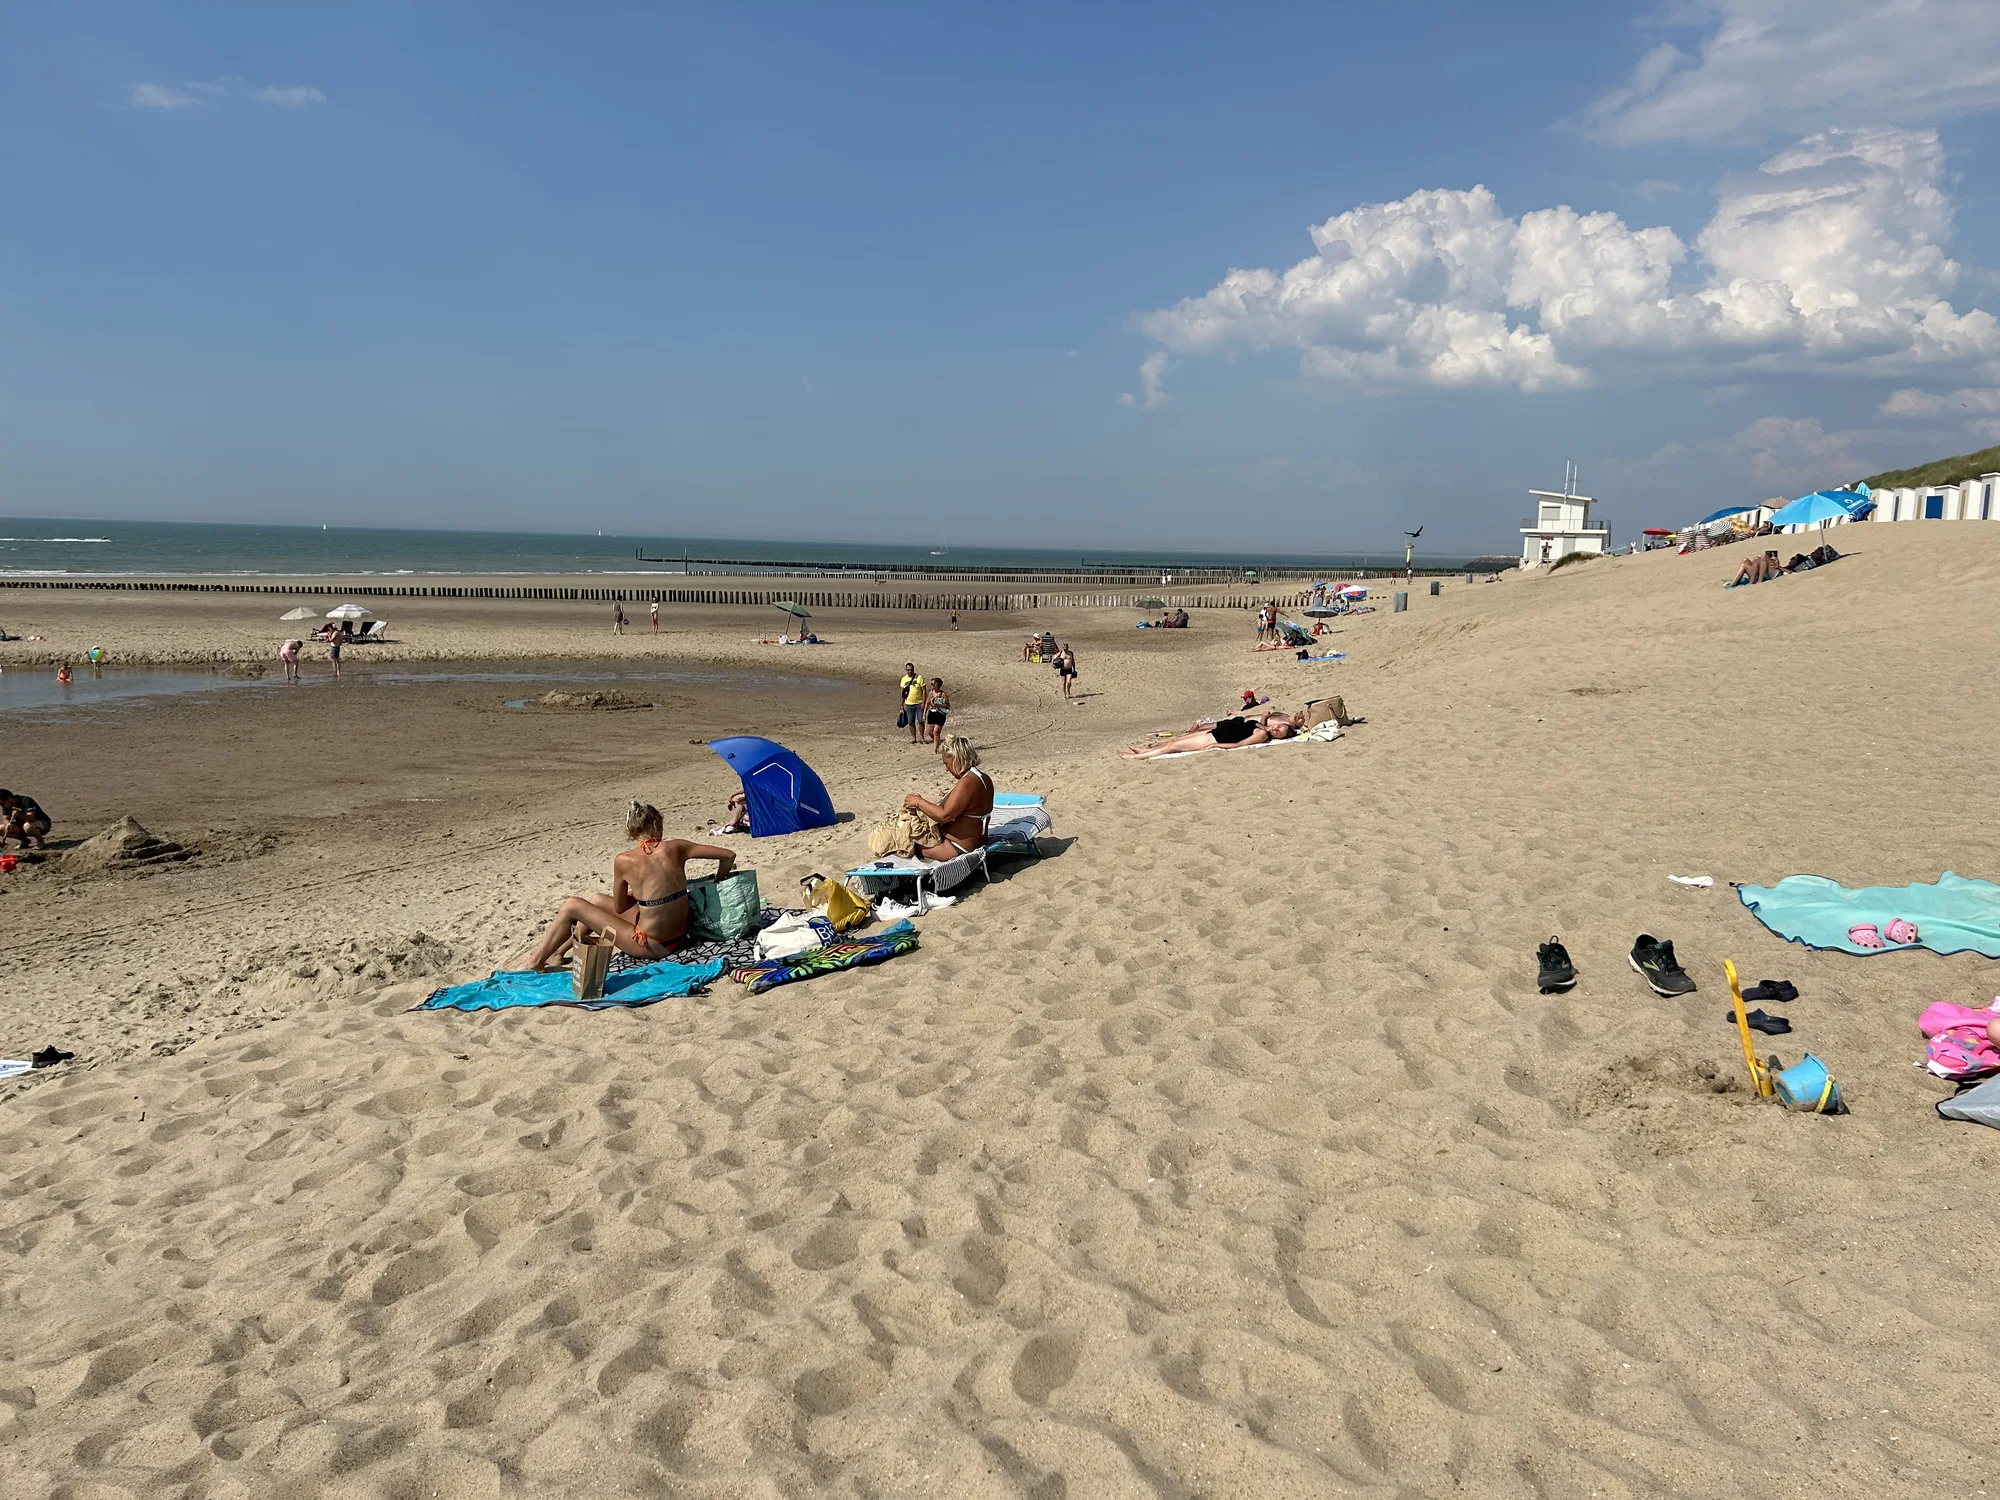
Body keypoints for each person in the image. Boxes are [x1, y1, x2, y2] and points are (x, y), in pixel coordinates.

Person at [513, 801, 739, 970]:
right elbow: (728, 855)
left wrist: (641, 893)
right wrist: (717, 880)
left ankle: (535, 961)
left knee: (573, 905)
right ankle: (560, 952)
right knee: (596, 901)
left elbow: (620, 908)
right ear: (654, 824)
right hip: (680, 935)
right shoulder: (677, 846)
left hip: (652, 945)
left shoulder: (624, 860)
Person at [903, 732, 994, 862]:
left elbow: (944, 815)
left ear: (957, 760)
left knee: (907, 844)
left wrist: (918, 802)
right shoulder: (983, 778)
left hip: (958, 847)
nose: (946, 769)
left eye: (947, 764)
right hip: (979, 839)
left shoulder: (966, 783)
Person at [1121, 712, 1304, 760]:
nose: (1276, 728)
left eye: (1279, 731)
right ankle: (1144, 750)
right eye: (1279, 726)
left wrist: (1216, 746)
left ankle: (1136, 757)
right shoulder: (1264, 727)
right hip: (1215, 732)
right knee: (1174, 741)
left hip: (1214, 739)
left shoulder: (1262, 736)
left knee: (1171, 748)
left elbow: (1240, 744)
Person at [898, 661, 926, 744]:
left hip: (919, 703)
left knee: (921, 721)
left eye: (911, 670)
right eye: (908, 670)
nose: (910, 671)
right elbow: (903, 693)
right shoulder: (904, 679)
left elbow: (924, 690)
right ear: (906, 670)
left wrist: (924, 702)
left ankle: (922, 737)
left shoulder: (919, 677)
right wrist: (901, 705)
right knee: (911, 722)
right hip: (908, 704)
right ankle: (914, 738)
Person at [924, 676, 949, 746]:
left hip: (940, 713)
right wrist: (924, 714)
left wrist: (939, 705)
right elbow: (927, 703)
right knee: (929, 731)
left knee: (936, 731)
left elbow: (947, 705)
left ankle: (935, 748)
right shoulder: (931, 693)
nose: (931, 686)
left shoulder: (943, 694)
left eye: (933, 684)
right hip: (932, 713)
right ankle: (938, 742)